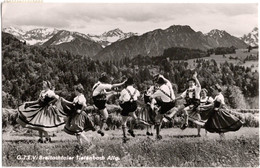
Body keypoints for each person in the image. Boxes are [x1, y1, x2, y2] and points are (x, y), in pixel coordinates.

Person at [150, 75, 177, 140]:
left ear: (158, 84)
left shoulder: (159, 90)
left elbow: (151, 97)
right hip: (173, 102)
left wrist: (151, 97)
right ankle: (165, 116)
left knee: (157, 117)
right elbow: (167, 80)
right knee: (160, 115)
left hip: (167, 104)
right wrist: (162, 76)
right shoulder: (168, 84)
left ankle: (158, 135)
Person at [119, 77, 140, 142]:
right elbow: (138, 95)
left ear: (126, 84)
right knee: (134, 117)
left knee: (124, 120)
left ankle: (125, 136)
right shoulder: (136, 90)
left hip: (126, 106)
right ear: (133, 84)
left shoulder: (124, 90)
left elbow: (120, 99)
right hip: (134, 105)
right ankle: (131, 129)